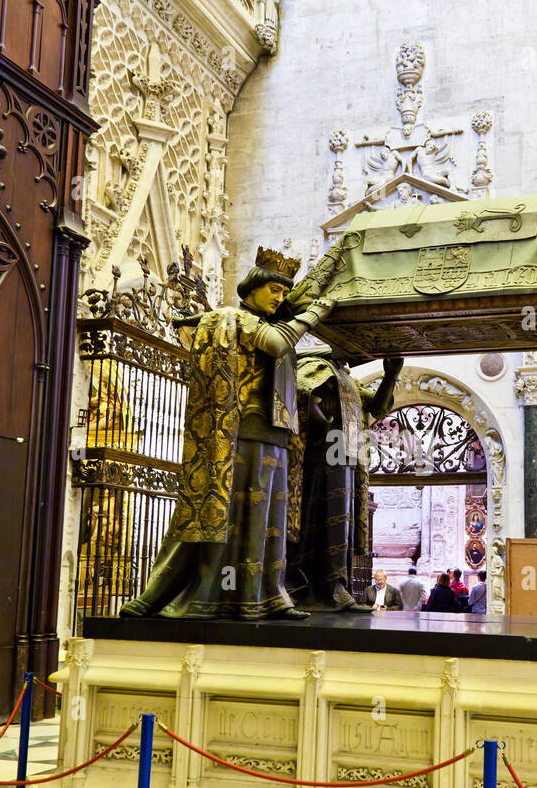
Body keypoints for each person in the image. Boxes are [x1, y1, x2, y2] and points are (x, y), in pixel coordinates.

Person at [120, 247, 327, 619]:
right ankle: (201, 595)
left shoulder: (270, 323)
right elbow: (277, 344)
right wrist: (314, 313)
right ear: (252, 287)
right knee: (225, 520)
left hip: (276, 436)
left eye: (284, 293)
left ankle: (267, 594)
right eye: (274, 290)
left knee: (266, 525)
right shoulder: (235, 318)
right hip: (239, 436)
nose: (279, 298)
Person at [286, 350, 402, 611]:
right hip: (319, 456)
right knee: (316, 523)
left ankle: (338, 588)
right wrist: (319, 415)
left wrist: (391, 376)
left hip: (346, 458)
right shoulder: (314, 366)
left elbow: (380, 407)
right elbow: (299, 392)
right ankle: (311, 588)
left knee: (342, 529)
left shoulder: (349, 380)